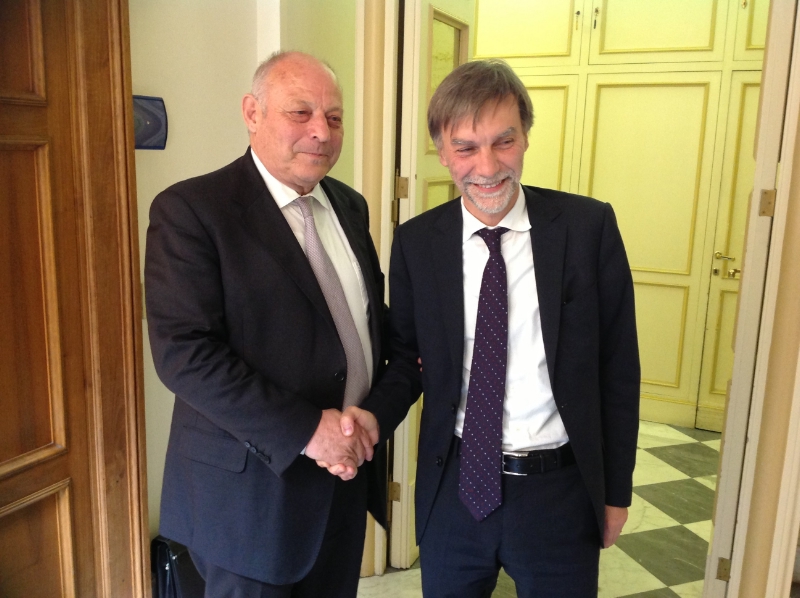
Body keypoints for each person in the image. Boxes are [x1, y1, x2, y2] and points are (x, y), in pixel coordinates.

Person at [341, 59, 640, 597]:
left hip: (559, 491)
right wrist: (372, 417)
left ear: (525, 137)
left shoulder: (587, 229)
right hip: (455, 489)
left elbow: (619, 370)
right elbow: (407, 358)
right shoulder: (417, 243)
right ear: (442, 152)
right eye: (465, 148)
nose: (487, 166)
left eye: (504, 141)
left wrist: (615, 492)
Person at [145, 51, 385, 598]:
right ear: (252, 113)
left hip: (343, 485)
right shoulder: (192, 210)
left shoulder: (349, 206)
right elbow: (184, 353)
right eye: (301, 113)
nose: (321, 131)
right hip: (246, 506)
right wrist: (309, 431)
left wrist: (367, 419)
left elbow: (370, 328)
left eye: (334, 117)